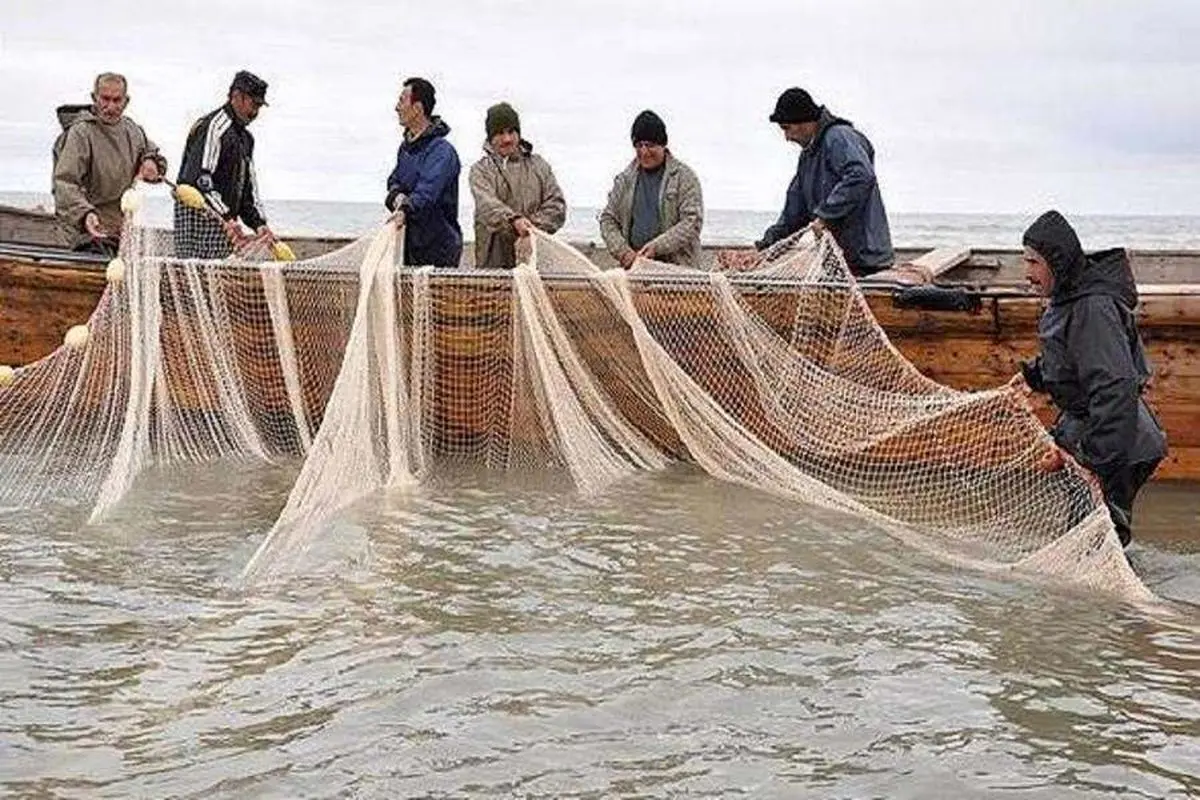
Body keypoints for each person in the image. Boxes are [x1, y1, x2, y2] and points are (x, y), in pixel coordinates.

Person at [1017, 210, 1167, 547]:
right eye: (1025, 262)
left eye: (1033, 263)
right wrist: (1035, 375)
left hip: (1119, 444)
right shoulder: (1065, 298)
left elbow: (1114, 387)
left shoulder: (1092, 308)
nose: (1027, 273)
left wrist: (1093, 461)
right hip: (1098, 434)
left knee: (1096, 543)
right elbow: (1072, 362)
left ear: (1057, 262)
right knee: (1086, 537)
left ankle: (1127, 600)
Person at [756, 87, 893, 276]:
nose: (786, 138)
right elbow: (794, 214)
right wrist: (764, 249)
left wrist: (826, 215)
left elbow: (861, 175)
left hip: (866, 261)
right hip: (836, 263)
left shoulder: (839, 137)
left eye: (787, 128)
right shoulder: (807, 158)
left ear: (803, 121)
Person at [52, 72, 166, 254]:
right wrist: (84, 214)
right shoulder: (81, 133)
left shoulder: (133, 131)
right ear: (94, 97)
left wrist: (150, 162)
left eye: (117, 100)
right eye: (105, 99)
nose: (110, 107)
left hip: (121, 230)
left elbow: (152, 153)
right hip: (85, 231)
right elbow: (65, 183)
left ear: (126, 101)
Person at [175, 70, 276, 259]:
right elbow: (200, 180)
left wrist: (259, 224)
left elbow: (248, 190)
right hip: (198, 222)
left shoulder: (246, 139)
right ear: (236, 96)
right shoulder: (213, 127)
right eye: (253, 104)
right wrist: (227, 217)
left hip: (226, 227)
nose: (255, 112)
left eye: (259, 107)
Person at [599, 110, 703, 269]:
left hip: (679, 272)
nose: (644, 152)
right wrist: (623, 252)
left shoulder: (685, 177)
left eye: (650, 145)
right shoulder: (624, 180)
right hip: (635, 270)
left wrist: (656, 247)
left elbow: (692, 222)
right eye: (639, 145)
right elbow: (608, 219)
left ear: (663, 144)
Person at [468, 102, 566, 268]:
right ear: (490, 138)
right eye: (499, 133)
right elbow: (487, 205)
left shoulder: (539, 166)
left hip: (534, 265)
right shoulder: (480, 171)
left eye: (511, 132)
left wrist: (530, 229)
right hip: (493, 267)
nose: (507, 139)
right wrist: (514, 221)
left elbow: (556, 205)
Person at [385, 77, 463, 267]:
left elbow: (427, 192)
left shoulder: (442, 151)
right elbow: (394, 181)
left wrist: (405, 208)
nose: (397, 107)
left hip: (439, 249)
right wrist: (396, 196)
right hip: (411, 247)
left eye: (402, 100)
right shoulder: (405, 148)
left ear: (418, 108)